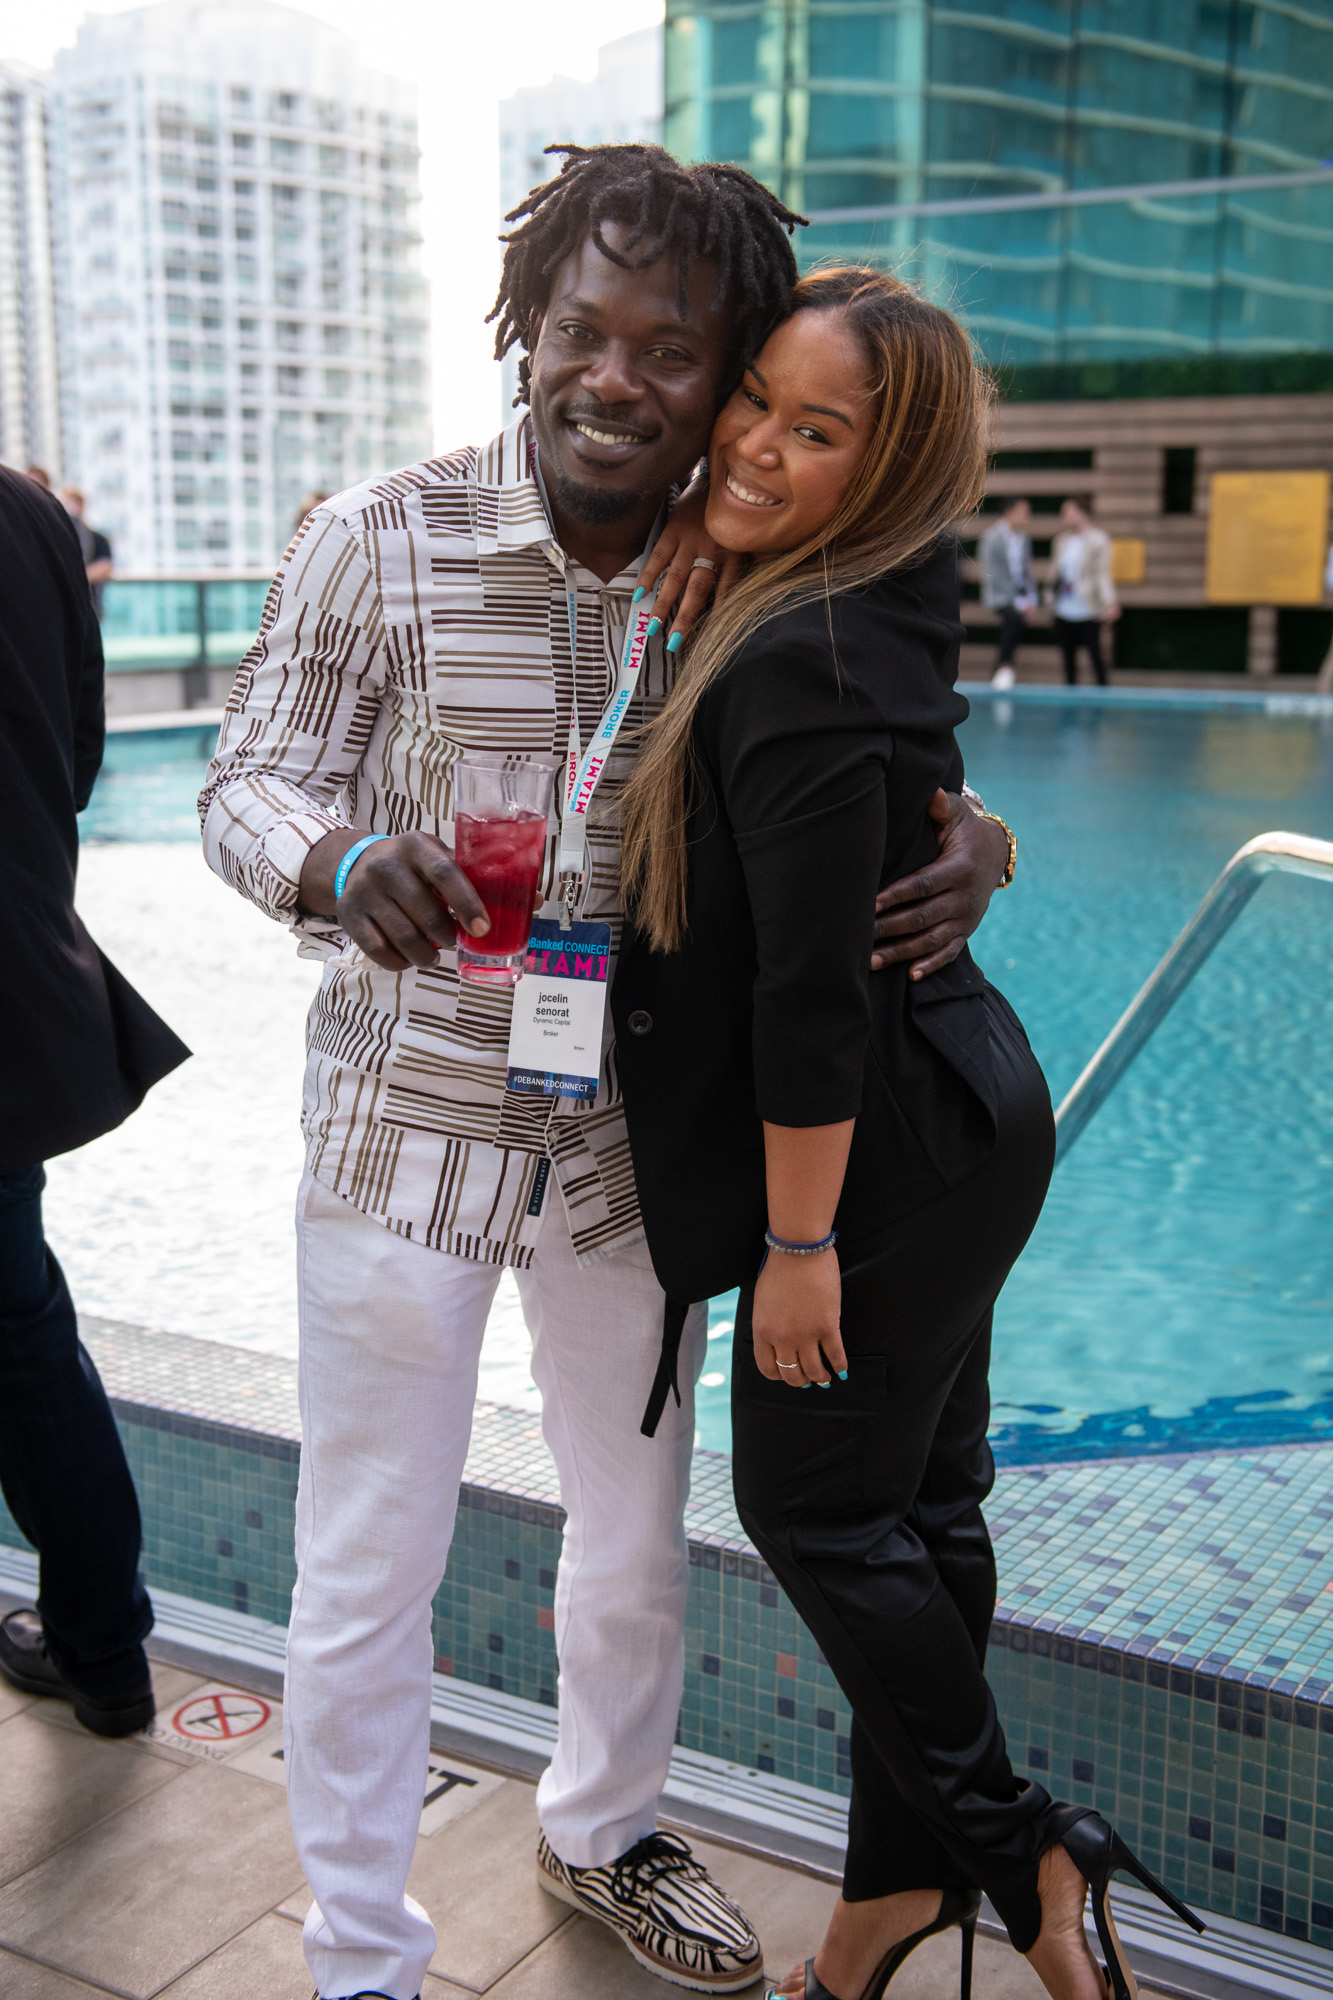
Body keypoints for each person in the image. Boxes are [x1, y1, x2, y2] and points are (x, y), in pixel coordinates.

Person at [199, 145, 1012, 2000]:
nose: (614, 376)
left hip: (635, 1154)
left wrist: (979, 841)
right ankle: (359, 1953)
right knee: (366, 1564)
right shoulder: (376, 534)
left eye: (670, 348)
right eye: (582, 329)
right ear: (529, 327)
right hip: (402, 1134)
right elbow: (245, 779)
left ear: (726, 373)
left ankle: (603, 1827)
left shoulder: (754, 566)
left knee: (634, 1548)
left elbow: (880, 773)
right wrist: (331, 860)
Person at [614, 269, 1203, 2000]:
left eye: (817, 431)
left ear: (886, 470)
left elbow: (805, 993)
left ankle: (1020, 1853)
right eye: (754, 400)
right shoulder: (856, 592)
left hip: (878, 1144)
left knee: (810, 1509)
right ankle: (885, 1904)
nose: (753, 444)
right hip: (959, 1102)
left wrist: (797, 1245)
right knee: (921, 1511)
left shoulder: (798, 651)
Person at [0, 464, 190, 1738]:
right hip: (13, 988)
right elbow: (75, 760)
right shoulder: (31, 516)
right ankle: (105, 1649)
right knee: (21, 1333)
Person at [1048, 499, 1117, 687]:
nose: (1064, 517)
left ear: (1081, 513)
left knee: (1096, 655)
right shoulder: (1061, 540)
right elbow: (1055, 573)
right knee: (1068, 658)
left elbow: (1102, 574)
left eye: (1068, 512)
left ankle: (1103, 693)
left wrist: (1109, 601)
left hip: (1087, 606)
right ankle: (1070, 696)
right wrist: (1050, 601)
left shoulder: (1098, 539)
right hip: (1064, 606)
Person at [978, 497, 1035, 688]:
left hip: (1020, 596)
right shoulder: (992, 537)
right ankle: (1005, 667)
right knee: (1013, 619)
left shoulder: (1024, 538)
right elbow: (993, 574)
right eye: (1023, 513)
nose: (1026, 517)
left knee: (1014, 624)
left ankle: (1001, 670)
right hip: (999, 595)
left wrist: (1030, 598)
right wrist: (1018, 601)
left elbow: (1026, 572)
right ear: (1010, 512)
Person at [61, 486, 115, 617]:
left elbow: (106, 567)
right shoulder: (57, 537)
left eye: (74, 502)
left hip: (89, 608)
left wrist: (72, 577)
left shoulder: (96, 538)